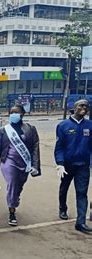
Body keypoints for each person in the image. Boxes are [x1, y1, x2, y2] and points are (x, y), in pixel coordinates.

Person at [0, 105, 41, 226]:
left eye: (16, 112)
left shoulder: (30, 129)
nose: (13, 114)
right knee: (12, 183)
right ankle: (12, 211)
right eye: (11, 112)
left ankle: (14, 198)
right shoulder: (3, 130)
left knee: (19, 185)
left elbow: (35, 147)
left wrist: (35, 165)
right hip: (8, 161)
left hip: (24, 162)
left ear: (22, 114)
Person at [54, 100, 91, 234]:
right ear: (74, 108)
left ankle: (80, 222)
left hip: (83, 165)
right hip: (68, 165)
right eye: (81, 106)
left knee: (82, 193)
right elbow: (59, 147)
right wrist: (60, 163)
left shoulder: (89, 125)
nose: (84, 108)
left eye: (86, 106)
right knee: (64, 187)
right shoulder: (63, 125)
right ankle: (62, 208)